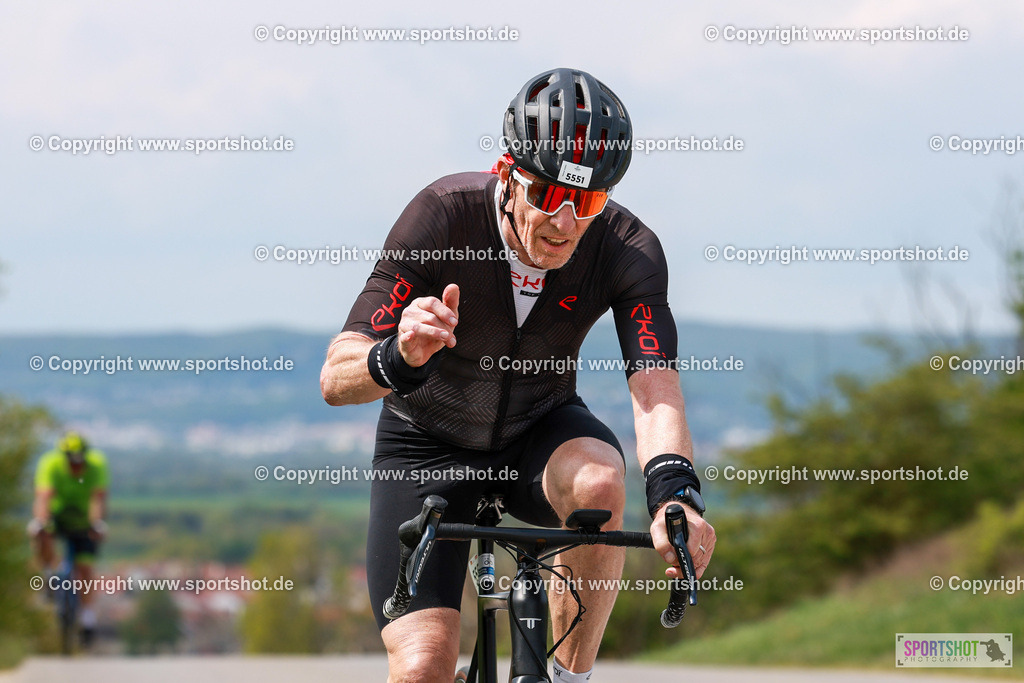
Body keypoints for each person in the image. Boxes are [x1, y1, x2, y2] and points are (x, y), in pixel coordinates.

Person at [321, 67, 716, 682]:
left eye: (584, 202)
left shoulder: (626, 248)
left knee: (599, 483)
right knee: (423, 666)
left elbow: (655, 390)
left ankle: (566, 676)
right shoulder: (443, 216)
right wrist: (396, 356)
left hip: (539, 429)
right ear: (507, 173)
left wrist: (675, 495)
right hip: (426, 448)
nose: (563, 223)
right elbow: (336, 376)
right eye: (548, 196)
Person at [28, 431, 109, 646]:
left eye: (79, 462)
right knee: (40, 534)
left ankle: (87, 620)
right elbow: (43, 496)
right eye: (71, 462)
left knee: (85, 568)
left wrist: (98, 523)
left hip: (83, 521)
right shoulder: (50, 463)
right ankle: (48, 575)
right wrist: (40, 521)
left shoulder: (96, 465)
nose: (75, 467)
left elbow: (98, 498)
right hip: (57, 517)